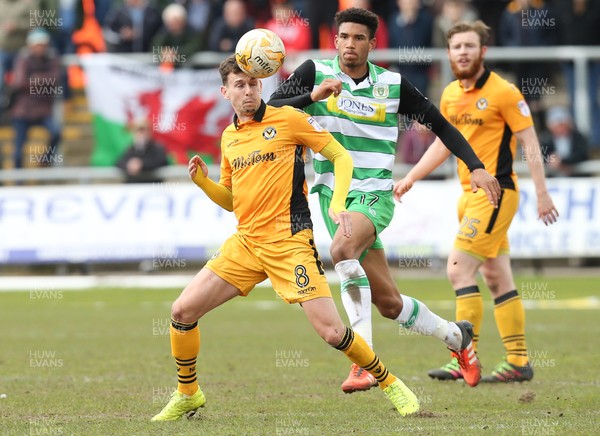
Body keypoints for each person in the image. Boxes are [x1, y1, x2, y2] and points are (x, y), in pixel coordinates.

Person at [151, 55, 421, 421]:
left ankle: (390, 382)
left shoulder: (289, 119)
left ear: (261, 86)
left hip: (289, 240)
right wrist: (203, 183)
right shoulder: (229, 137)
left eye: (253, 84)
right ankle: (188, 393)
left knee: (330, 332)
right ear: (225, 92)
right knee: (181, 311)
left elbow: (340, 157)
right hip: (245, 243)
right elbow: (231, 201)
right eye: (239, 85)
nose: (247, 91)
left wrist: (337, 202)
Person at [269, 7, 501, 392]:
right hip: (333, 197)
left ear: (372, 44)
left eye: (359, 38)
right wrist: (313, 95)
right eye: (344, 37)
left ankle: (363, 363)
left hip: (373, 194)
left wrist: (475, 165)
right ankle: (458, 337)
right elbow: (269, 111)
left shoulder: (392, 85)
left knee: (342, 250)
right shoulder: (315, 72)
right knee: (389, 303)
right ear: (335, 40)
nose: (350, 45)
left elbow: (441, 124)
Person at [394, 20, 559, 383]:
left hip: (496, 193)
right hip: (467, 197)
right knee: (498, 279)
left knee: (457, 269)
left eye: (470, 46)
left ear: (483, 51)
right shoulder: (451, 93)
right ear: (449, 52)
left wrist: (542, 193)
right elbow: (443, 143)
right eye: (457, 47)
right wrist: (411, 176)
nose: (463, 52)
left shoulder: (504, 92)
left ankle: (463, 357)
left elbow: (531, 143)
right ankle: (518, 362)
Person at [10, 28, 62, 168]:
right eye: (37, 45)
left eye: (42, 44)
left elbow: (55, 78)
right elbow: (20, 82)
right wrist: (43, 80)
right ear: (31, 45)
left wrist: (33, 79)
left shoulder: (52, 59)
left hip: (43, 110)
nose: (40, 48)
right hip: (23, 111)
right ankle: (17, 181)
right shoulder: (23, 59)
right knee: (18, 151)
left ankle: (45, 161)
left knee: (56, 133)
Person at [540, 106, 589, 177]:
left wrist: (562, 161)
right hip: (554, 180)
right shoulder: (546, 139)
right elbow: (540, 156)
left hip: (577, 178)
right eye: (557, 126)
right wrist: (552, 160)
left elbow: (582, 154)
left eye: (563, 125)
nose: (561, 128)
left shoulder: (578, 137)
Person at [116, 118, 169, 183]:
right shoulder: (130, 149)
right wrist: (129, 165)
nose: (141, 133)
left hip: (151, 186)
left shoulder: (157, 148)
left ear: (149, 132)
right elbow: (118, 163)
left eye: (144, 130)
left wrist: (142, 164)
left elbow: (161, 162)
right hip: (133, 187)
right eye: (138, 130)